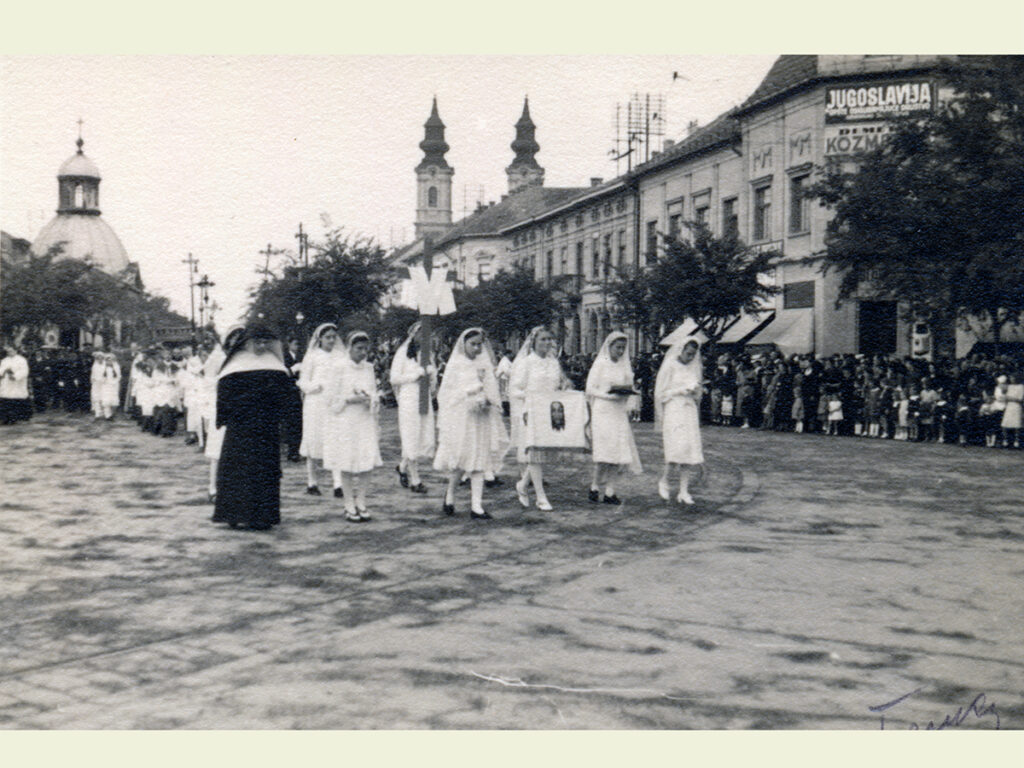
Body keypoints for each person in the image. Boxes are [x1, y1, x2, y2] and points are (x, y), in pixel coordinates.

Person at [211, 325, 293, 531]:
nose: (262, 345)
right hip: (241, 428)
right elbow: (224, 397)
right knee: (239, 471)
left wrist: (282, 417)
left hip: (266, 428)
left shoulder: (275, 366)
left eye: (265, 342)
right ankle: (234, 514)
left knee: (265, 472)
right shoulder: (233, 367)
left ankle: (263, 517)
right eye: (257, 341)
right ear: (246, 343)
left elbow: (285, 397)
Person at [434, 328, 509, 519]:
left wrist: (489, 400)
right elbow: (446, 394)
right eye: (472, 344)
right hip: (462, 418)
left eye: (479, 344)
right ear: (464, 344)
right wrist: (468, 397)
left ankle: (477, 505)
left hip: (481, 418)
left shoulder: (483, 364)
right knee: (462, 459)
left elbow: (492, 389)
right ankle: (450, 495)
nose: (476, 348)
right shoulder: (456, 364)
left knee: (480, 460)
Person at [509, 325, 570, 512]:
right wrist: (529, 397)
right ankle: (541, 496)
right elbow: (513, 389)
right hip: (530, 411)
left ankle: (522, 485)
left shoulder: (553, 362)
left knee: (543, 454)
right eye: (542, 339)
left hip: (548, 412)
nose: (546, 343)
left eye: (549, 339)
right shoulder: (526, 362)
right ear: (533, 342)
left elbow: (558, 384)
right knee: (534, 455)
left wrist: (565, 385)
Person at [324, 331, 382, 522]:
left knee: (366, 462)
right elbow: (330, 400)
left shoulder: (369, 368)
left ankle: (362, 501)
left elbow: (373, 392)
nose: (363, 353)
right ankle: (349, 503)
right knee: (347, 462)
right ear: (350, 348)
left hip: (364, 420)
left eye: (366, 348)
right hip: (345, 420)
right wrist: (349, 399)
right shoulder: (338, 367)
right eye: (359, 348)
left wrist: (371, 399)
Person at [585, 331, 642, 505]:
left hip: (618, 411)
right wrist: (606, 395)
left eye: (623, 348)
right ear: (609, 346)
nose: (620, 351)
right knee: (604, 453)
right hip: (603, 410)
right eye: (617, 347)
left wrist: (630, 395)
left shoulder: (624, 365)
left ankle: (610, 491)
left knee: (618, 452)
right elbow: (589, 388)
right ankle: (594, 486)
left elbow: (628, 386)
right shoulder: (601, 364)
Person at [655, 338, 705, 506]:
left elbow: (698, 393)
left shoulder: (693, 368)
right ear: (681, 350)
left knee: (689, 450)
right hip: (674, 409)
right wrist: (680, 390)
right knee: (677, 448)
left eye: (693, 355)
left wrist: (696, 391)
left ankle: (684, 491)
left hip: (688, 410)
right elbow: (660, 393)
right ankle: (664, 481)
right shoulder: (670, 365)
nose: (690, 358)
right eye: (688, 353)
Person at [297, 323, 344, 496]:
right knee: (313, 441)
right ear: (320, 339)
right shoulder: (312, 356)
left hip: (333, 404)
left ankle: (338, 484)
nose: (331, 340)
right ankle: (312, 482)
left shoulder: (340, 356)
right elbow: (303, 381)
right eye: (328, 337)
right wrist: (313, 387)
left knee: (335, 442)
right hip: (315, 404)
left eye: (333, 337)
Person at [389, 321, 436, 494]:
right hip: (409, 396)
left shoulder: (426, 353)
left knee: (423, 435)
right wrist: (414, 375)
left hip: (423, 397)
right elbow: (394, 378)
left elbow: (432, 377)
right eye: (421, 334)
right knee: (411, 435)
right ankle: (415, 479)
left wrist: (431, 374)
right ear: (413, 334)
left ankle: (402, 467)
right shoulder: (402, 353)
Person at [0, 345, 32, 425]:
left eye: (11, 351)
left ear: (15, 351)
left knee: (15, 400)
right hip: (6, 383)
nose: (9, 353)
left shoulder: (21, 360)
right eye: (8, 351)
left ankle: (15, 418)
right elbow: (1, 369)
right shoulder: (4, 360)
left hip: (16, 383)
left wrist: (15, 376)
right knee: (5, 400)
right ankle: (5, 418)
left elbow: (24, 371)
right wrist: (2, 372)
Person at [98, 353, 121, 420]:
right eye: (108, 360)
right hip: (106, 386)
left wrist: (115, 382)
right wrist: (104, 381)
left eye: (111, 360)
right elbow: (100, 377)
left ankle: (112, 414)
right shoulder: (103, 367)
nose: (109, 362)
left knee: (114, 401)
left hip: (114, 386)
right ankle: (107, 415)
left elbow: (119, 376)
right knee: (106, 401)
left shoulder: (116, 367)